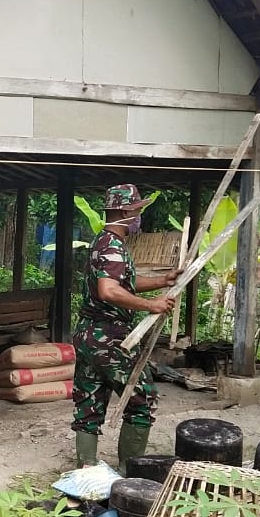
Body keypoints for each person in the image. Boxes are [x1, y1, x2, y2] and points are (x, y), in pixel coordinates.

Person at [71, 185, 178, 472]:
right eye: (136, 210)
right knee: (142, 399)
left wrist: (162, 281)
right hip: (111, 337)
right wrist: (150, 305)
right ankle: (130, 471)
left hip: (88, 334)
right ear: (123, 211)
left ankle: (87, 469)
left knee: (89, 402)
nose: (139, 216)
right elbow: (109, 291)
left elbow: (122, 283)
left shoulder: (101, 242)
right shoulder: (113, 246)